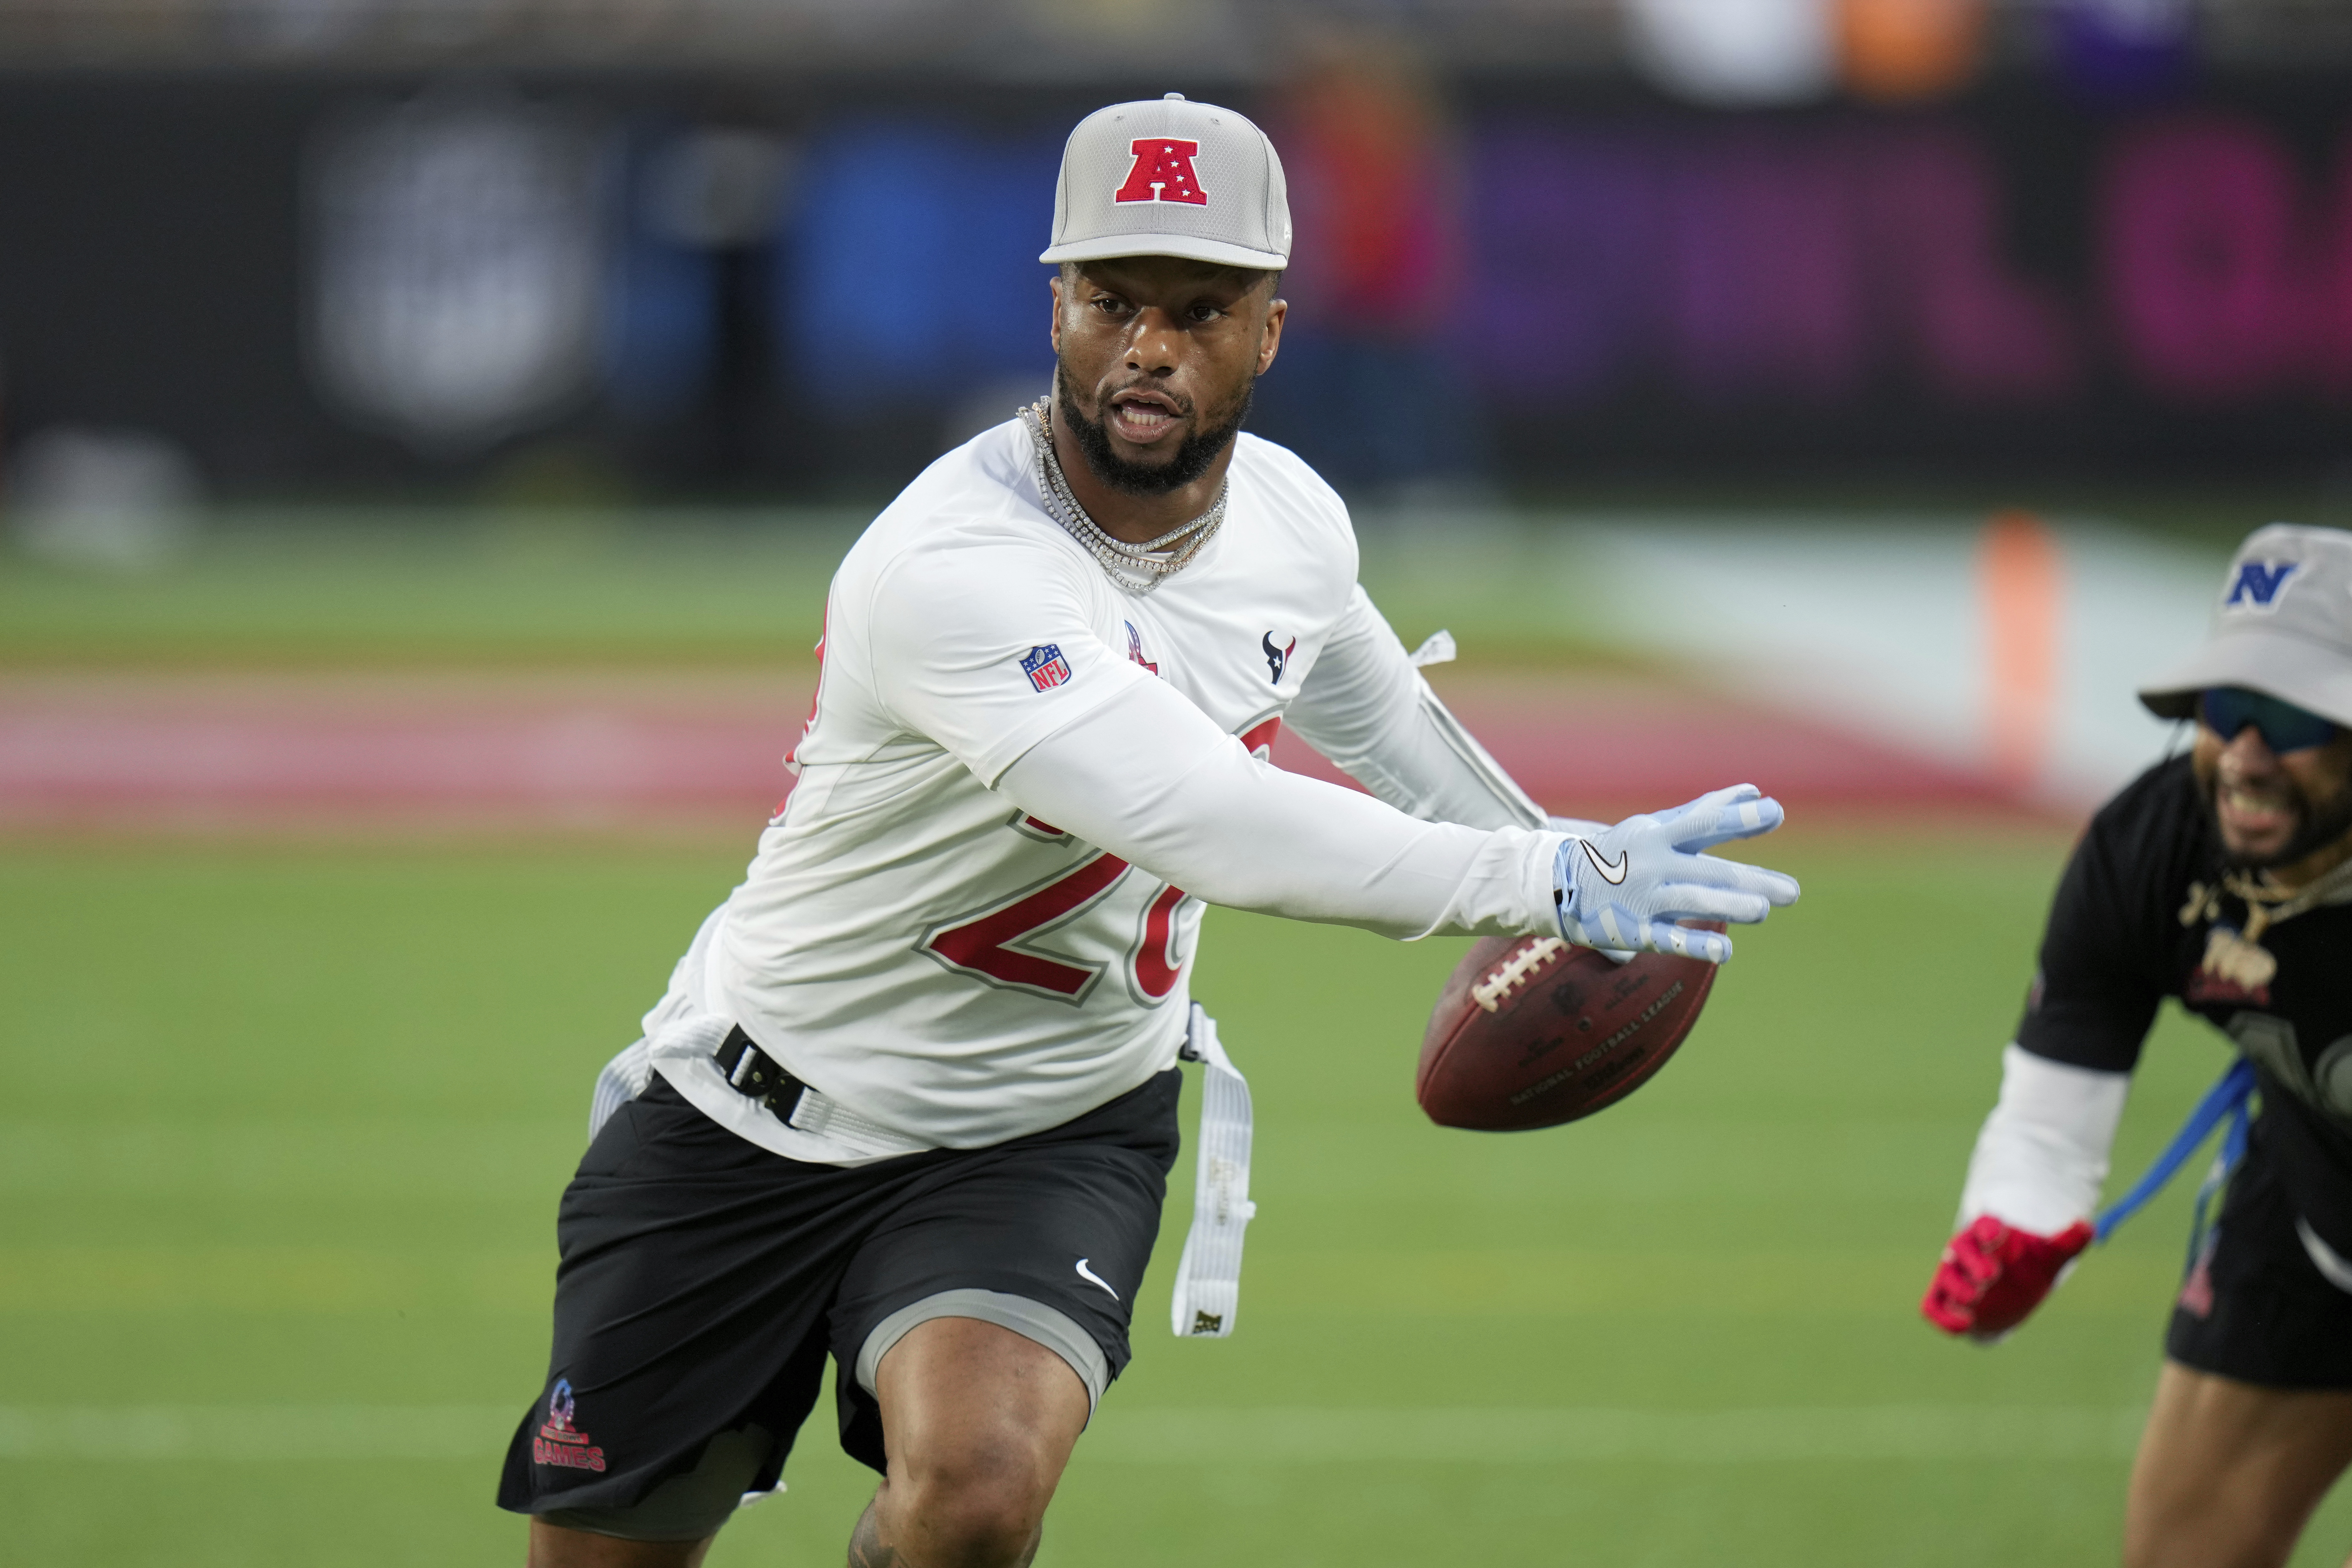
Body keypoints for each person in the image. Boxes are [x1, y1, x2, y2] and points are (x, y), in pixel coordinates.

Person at [499, 94, 1800, 1568]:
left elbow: (1384, 726)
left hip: (1051, 1125)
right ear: (1054, 306)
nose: (1147, 346)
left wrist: (1563, 865)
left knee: (977, 1490)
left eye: (1198, 308)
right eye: (1111, 301)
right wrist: (1536, 875)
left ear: (1271, 330)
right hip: (763, 1107)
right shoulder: (955, 566)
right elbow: (1208, 818)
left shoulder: (1293, 525)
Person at [1921, 523, 2352, 1568]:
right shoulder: (2152, 846)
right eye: (2224, 709)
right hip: (2311, 1210)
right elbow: (2049, 1115)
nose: (2246, 754)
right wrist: (2015, 1232)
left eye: (2289, 715)